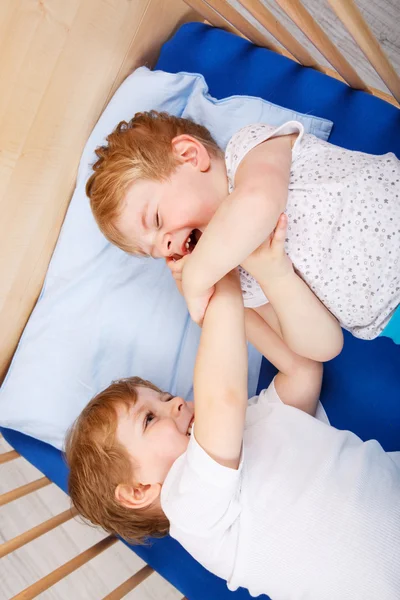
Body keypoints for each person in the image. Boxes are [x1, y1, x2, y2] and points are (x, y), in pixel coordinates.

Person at [66, 225, 400, 600]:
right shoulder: (190, 509)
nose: (177, 402)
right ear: (139, 490)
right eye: (149, 418)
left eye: (164, 397)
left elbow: (302, 372)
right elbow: (220, 397)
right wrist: (216, 279)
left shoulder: (250, 420)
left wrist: (225, 299)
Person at [86, 111, 400, 350]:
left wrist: (195, 279)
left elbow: (259, 203)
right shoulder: (242, 280)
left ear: (190, 156)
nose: (165, 246)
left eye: (156, 220)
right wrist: (276, 277)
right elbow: (325, 345)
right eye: (155, 252)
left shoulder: (248, 152)